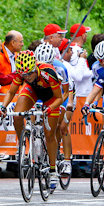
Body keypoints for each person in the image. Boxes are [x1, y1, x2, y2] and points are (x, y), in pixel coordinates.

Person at [0, 51, 64, 191]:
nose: (27, 77)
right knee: (17, 115)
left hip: (51, 97)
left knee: (49, 135)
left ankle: (53, 171)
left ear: (35, 68)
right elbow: (11, 92)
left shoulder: (48, 72)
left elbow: (60, 98)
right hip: (33, 91)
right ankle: (23, 145)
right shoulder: (21, 72)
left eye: (29, 74)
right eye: (24, 75)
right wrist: (3, 107)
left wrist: (50, 108)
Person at [35, 42, 76, 177]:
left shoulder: (60, 68)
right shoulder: (34, 67)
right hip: (47, 92)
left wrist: (61, 105)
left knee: (62, 125)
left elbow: (65, 92)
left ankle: (67, 160)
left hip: (65, 93)